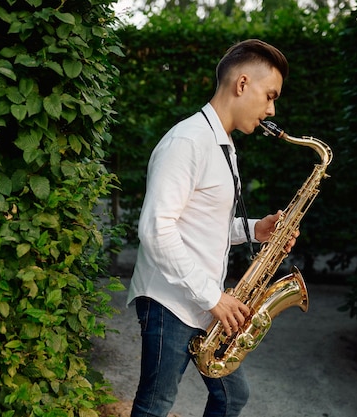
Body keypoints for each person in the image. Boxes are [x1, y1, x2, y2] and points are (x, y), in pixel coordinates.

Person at [127, 39, 299, 417]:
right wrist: (214, 297)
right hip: (170, 301)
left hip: (201, 301)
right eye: (269, 96)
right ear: (241, 84)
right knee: (155, 405)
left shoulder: (222, 144)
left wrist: (257, 230)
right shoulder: (187, 141)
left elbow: (204, 221)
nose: (272, 109)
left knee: (232, 396)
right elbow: (156, 229)